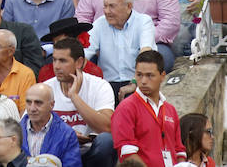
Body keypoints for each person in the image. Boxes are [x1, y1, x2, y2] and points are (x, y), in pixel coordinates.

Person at [44, 38, 116, 167]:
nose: (56, 66)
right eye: (54, 60)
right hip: (58, 152)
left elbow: (107, 127)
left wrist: (74, 96)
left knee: (106, 140)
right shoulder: (45, 88)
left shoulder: (100, 86)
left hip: (90, 152)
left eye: (63, 61)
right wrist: (66, 135)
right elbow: (29, 127)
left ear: (79, 62)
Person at [111, 50, 186, 167]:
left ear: (162, 76)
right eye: (139, 75)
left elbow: (179, 151)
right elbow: (127, 154)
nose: (144, 81)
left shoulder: (170, 109)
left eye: (150, 75)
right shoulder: (126, 108)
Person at [84, 0, 155, 97]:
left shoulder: (143, 21)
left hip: (138, 82)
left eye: (112, 6)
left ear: (129, 6)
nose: (107, 11)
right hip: (107, 85)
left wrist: (135, 83)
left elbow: (146, 53)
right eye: (105, 6)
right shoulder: (99, 24)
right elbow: (84, 54)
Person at [19, 84, 81, 166]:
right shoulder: (14, 132)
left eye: (38, 103)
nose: (32, 108)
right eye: (29, 102)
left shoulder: (67, 134)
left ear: (52, 105)